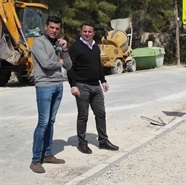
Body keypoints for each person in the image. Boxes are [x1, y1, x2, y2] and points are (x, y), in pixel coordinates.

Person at [67, 22, 119, 154]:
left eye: (90, 32)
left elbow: (98, 65)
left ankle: (103, 141)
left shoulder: (96, 47)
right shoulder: (75, 47)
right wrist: (73, 85)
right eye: (84, 31)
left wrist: (103, 80)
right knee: (83, 115)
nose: (87, 34)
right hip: (82, 86)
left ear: (94, 33)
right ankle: (82, 143)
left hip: (96, 86)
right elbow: (70, 68)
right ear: (81, 32)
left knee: (101, 114)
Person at [30, 16, 72, 173]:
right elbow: (46, 64)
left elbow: (68, 65)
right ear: (46, 27)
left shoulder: (59, 44)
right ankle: (35, 160)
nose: (54, 30)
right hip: (45, 86)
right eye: (51, 27)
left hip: (58, 85)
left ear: (60, 29)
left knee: (51, 121)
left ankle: (47, 154)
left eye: (57, 28)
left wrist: (65, 50)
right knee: (43, 122)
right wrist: (59, 63)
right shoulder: (38, 42)